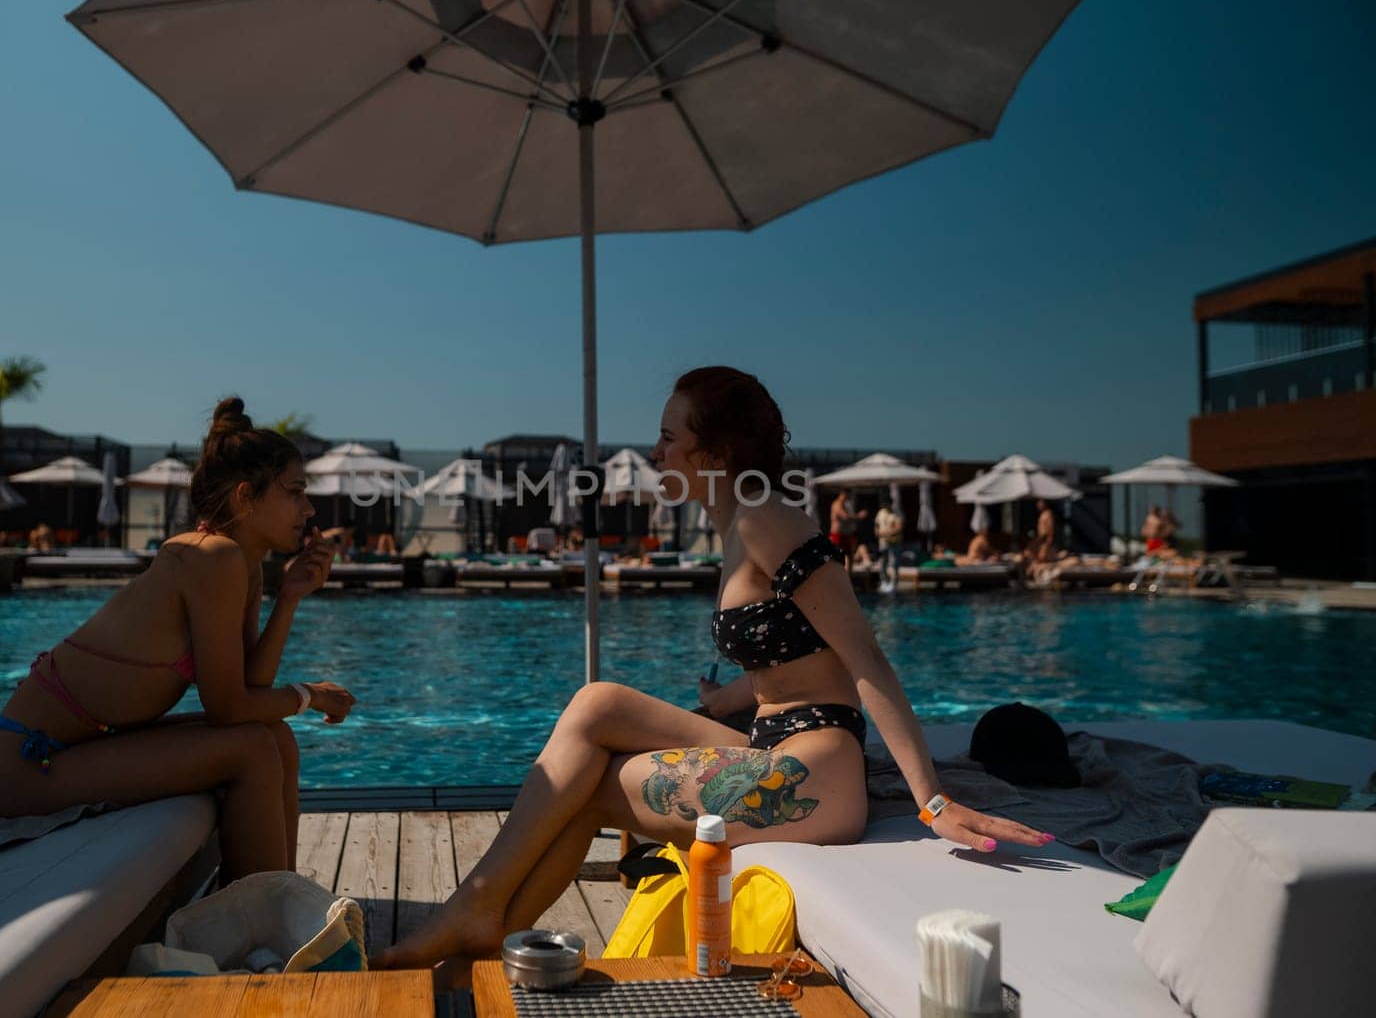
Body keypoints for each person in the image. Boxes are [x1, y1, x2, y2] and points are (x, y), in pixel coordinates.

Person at [375, 366, 1048, 971]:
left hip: (820, 767)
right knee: (597, 703)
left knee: (592, 780)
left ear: (717, 453)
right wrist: (723, 699)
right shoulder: (732, 525)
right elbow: (789, 657)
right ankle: (484, 914)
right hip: (771, 739)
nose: (655, 452)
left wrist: (932, 799)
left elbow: (862, 654)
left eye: (668, 438)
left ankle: (484, 916)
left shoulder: (767, 519)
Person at [0, 398, 355, 884]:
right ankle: (266, 934)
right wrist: (308, 696)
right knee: (251, 747)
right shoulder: (211, 558)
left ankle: (282, 905)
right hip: (15, 768)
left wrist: (288, 599)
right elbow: (229, 709)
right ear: (247, 497)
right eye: (295, 492)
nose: (309, 509)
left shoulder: (240, 565)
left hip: (72, 752)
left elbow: (247, 688)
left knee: (276, 738)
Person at [873, 501, 904, 590]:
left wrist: (887, 533)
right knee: (883, 562)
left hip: (894, 542)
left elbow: (899, 527)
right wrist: (878, 532)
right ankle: (884, 581)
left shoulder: (896, 514)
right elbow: (877, 525)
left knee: (894, 562)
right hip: (883, 542)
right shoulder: (881, 513)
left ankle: (894, 582)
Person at [828, 488, 864, 561]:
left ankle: (848, 572)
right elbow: (845, 517)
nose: (849, 498)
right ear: (844, 494)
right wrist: (859, 516)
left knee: (849, 557)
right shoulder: (837, 504)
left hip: (845, 536)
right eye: (849, 495)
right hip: (837, 536)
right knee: (836, 558)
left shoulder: (844, 505)